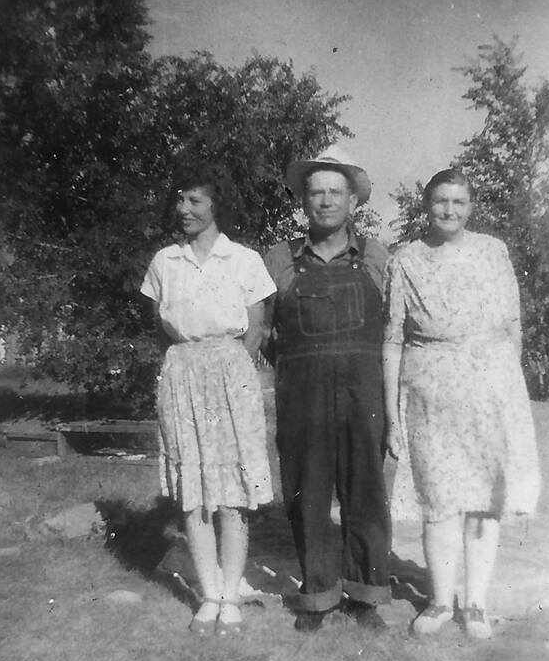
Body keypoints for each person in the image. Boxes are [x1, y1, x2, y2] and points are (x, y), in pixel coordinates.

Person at [383, 168, 540, 639]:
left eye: (458, 202)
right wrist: (393, 414)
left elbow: (511, 327)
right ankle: (439, 601)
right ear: (426, 205)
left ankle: (474, 604)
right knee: (438, 499)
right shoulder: (405, 260)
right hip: (428, 392)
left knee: (482, 501)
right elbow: (391, 340)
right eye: (440, 201)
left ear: (471, 207)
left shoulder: (493, 252)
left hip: (489, 389)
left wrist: (504, 393)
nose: (448, 210)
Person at [141, 162, 276, 635]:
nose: (183, 209)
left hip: (230, 375)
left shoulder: (244, 260)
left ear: (217, 205)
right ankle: (210, 594)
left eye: (194, 200)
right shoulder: (164, 262)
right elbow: (163, 325)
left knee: (232, 492)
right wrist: (190, 365)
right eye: (179, 199)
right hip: (182, 374)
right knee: (193, 492)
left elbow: (256, 329)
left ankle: (233, 594)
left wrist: (228, 375)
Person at [264, 150, 391, 633]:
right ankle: (317, 595)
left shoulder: (378, 256)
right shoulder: (279, 259)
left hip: (364, 393)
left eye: (335, 192)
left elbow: (395, 326)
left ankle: (366, 595)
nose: (325, 201)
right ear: (303, 201)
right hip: (303, 396)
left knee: (366, 491)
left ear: (353, 201)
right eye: (315, 192)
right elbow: (262, 332)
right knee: (308, 494)